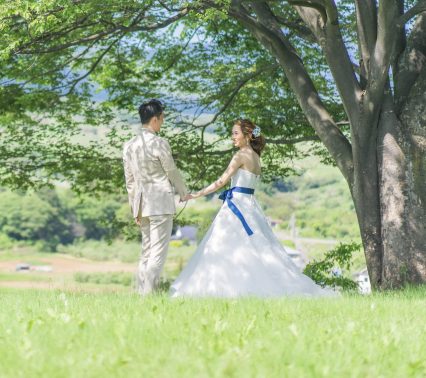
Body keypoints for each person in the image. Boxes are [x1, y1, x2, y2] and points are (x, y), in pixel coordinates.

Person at [169, 119, 335, 298]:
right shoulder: (256, 157)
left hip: (237, 206)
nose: (233, 137)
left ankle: (224, 287)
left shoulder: (240, 156)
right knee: (254, 246)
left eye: (236, 133)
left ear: (248, 135)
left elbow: (221, 182)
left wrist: (194, 195)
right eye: (232, 133)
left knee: (224, 245)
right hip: (250, 206)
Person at [123, 99, 188, 295]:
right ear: (154, 119)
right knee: (157, 254)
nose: (162, 122)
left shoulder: (129, 146)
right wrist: (184, 192)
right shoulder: (160, 143)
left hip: (141, 204)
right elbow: (171, 170)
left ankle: (142, 294)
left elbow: (130, 182)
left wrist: (135, 209)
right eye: (161, 118)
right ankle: (149, 297)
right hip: (160, 203)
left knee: (146, 252)